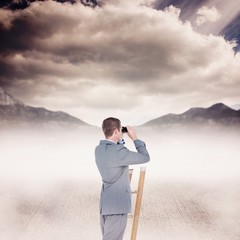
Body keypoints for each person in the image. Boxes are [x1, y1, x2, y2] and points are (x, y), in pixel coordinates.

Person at [95, 117, 150, 240]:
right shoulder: (119, 152)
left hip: (106, 205)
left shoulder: (98, 150)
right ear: (115, 131)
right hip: (117, 206)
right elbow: (145, 157)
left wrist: (120, 138)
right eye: (120, 130)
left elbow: (116, 151)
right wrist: (135, 138)